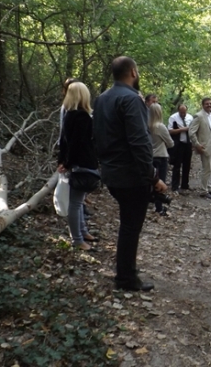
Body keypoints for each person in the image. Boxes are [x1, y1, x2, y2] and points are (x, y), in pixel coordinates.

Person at [92, 56, 167, 292]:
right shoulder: (131, 99)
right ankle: (125, 278)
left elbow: (97, 136)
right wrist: (153, 177)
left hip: (111, 172)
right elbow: (139, 142)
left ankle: (126, 271)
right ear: (133, 72)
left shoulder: (102, 98)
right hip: (131, 176)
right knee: (130, 226)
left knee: (127, 224)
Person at [57, 80, 99, 251]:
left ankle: (82, 232)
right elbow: (75, 143)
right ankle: (77, 239)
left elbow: (64, 141)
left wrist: (62, 161)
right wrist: (67, 163)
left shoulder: (70, 115)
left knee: (79, 201)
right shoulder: (82, 117)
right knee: (76, 203)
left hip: (75, 163)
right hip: (81, 163)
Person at [189, 97, 211, 199]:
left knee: (210, 169)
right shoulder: (199, 116)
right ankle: (204, 191)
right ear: (202, 105)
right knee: (206, 169)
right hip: (204, 146)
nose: (209, 105)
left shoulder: (210, 115)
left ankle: (209, 188)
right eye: (207, 104)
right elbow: (191, 132)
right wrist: (197, 144)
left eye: (210, 103)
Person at [149, 103, 174, 216]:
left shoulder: (146, 126)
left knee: (151, 181)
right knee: (160, 182)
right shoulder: (160, 127)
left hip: (150, 156)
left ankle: (151, 203)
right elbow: (171, 143)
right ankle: (159, 208)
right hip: (161, 156)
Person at [168, 104, 193, 194]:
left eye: (184, 112)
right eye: (181, 112)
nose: (183, 114)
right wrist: (182, 129)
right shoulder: (173, 118)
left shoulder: (190, 117)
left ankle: (185, 184)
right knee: (177, 165)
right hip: (179, 144)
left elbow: (193, 129)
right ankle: (175, 186)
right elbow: (170, 131)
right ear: (178, 110)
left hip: (188, 144)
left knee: (187, 165)